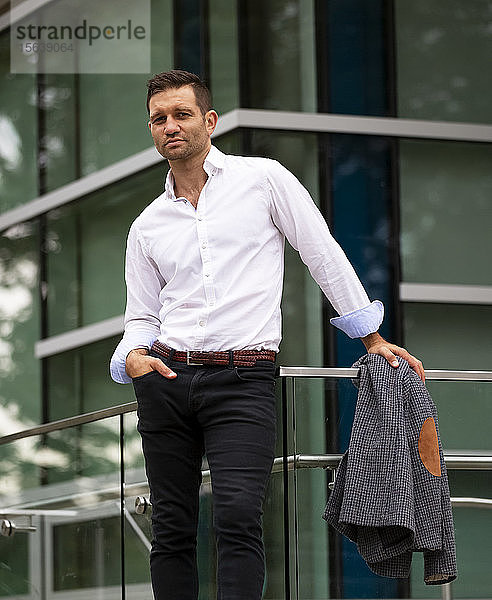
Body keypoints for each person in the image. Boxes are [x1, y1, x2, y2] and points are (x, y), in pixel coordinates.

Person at [110, 69, 424, 600]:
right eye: (159, 118)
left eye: (182, 115)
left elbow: (320, 249)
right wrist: (133, 357)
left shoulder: (263, 179)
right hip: (165, 378)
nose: (170, 126)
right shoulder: (147, 225)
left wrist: (369, 335)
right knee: (172, 528)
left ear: (208, 121)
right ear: (151, 128)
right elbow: (140, 314)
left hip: (243, 377)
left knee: (237, 515)